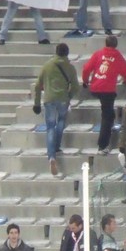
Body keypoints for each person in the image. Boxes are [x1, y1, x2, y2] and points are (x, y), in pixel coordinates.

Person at [33, 42, 79, 177]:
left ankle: (51, 156)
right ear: (67, 53)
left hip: (49, 99)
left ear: (56, 52)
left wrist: (36, 103)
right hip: (63, 99)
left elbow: (37, 85)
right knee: (61, 121)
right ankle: (57, 146)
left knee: (50, 127)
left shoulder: (47, 66)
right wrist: (68, 96)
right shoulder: (70, 67)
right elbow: (76, 86)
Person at [82, 35, 126, 155]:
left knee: (108, 113)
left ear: (105, 43)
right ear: (116, 45)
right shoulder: (117, 56)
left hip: (95, 87)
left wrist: (85, 81)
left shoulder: (98, 54)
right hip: (108, 90)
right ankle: (102, 145)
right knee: (107, 116)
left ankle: (108, 132)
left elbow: (86, 68)